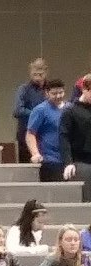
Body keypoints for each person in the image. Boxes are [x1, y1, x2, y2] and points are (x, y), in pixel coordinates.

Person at [27, 78, 68, 182]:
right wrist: (35, 153)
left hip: (68, 159)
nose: (58, 96)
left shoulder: (69, 108)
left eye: (61, 92)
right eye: (54, 93)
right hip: (49, 160)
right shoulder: (40, 110)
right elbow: (30, 134)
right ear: (47, 93)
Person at [60, 74, 91, 202]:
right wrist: (68, 163)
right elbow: (64, 137)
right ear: (84, 89)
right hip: (80, 159)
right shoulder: (70, 111)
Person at [14, 58, 49, 163]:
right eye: (35, 74)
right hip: (26, 134)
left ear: (46, 72)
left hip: (45, 135)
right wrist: (37, 114)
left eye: (40, 74)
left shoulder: (50, 89)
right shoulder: (23, 89)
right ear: (30, 73)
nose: (38, 78)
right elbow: (17, 111)